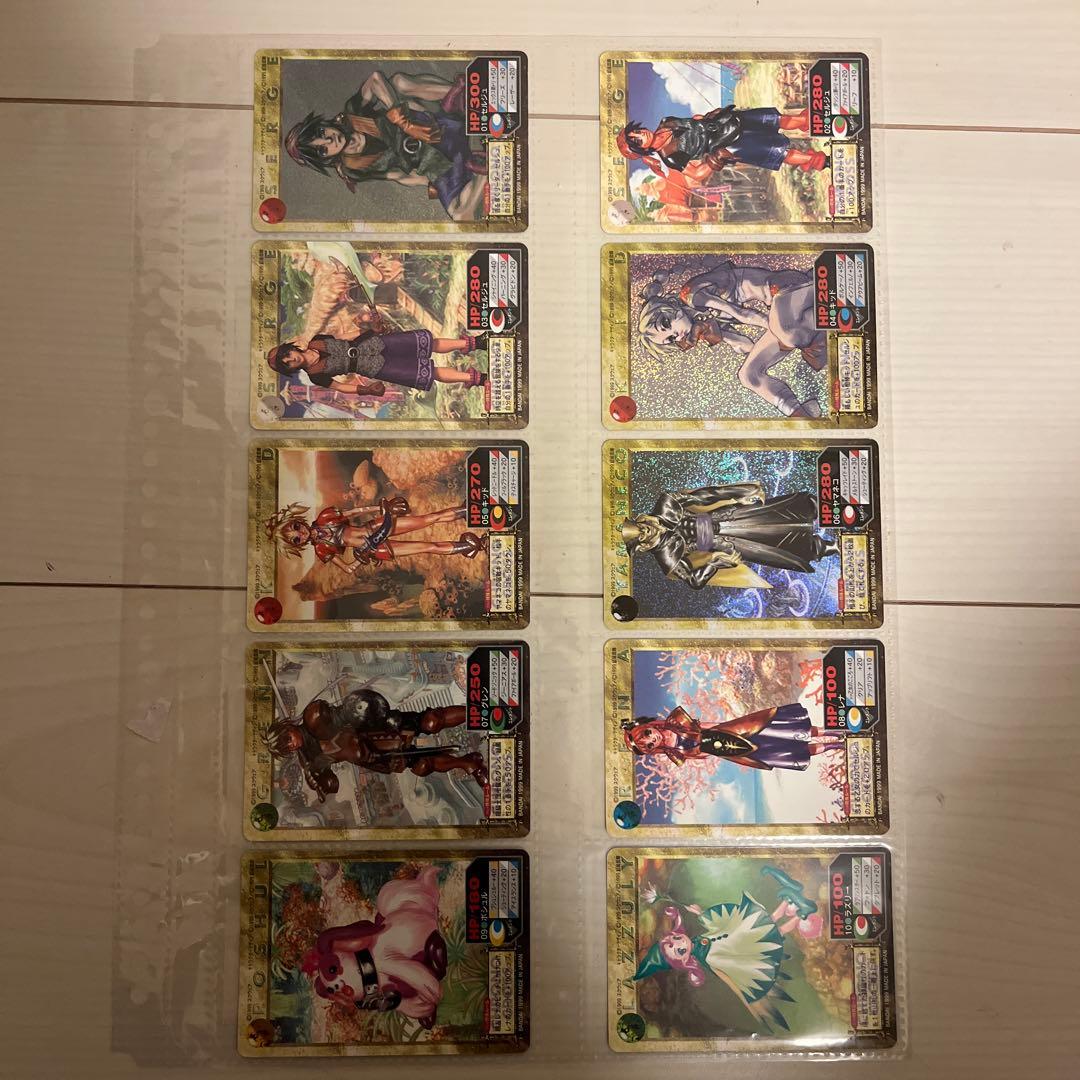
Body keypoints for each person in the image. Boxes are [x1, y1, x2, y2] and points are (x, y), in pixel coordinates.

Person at [284, 69, 487, 222]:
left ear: (323, 124)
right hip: (437, 163)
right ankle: (483, 169)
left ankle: (466, 96)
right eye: (322, 149)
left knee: (398, 82)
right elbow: (398, 176)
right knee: (461, 216)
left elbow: (375, 79)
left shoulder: (353, 113)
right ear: (325, 159)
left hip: (436, 123)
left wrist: (403, 121)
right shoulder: (353, 167)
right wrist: (431, 183)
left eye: (321, 133)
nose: (330, 140)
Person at [636, 263, 825, 418]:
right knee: (748, 374)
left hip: (784, 288)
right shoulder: (703, 321)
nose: (677, 335)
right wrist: (719, 336)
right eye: (671, 339)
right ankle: (800, 414)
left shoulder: (691, 295)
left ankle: (827, 314)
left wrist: (778, 331)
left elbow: (743, 314)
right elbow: (748, 346)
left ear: (669, 307)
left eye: (666, 324)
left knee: (787, 333)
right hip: (783, 311)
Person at [265, 686, 488, 797]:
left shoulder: (314, 718)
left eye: (287, 739)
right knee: (422, 765)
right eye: (287, 748)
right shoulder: (311, 760)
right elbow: (333, 785)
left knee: (431, 721)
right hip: (378, 756)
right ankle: (469, 762)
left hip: (380, 730)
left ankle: (480, 713)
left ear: (288, 727)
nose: (291, 745)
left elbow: (352, 709)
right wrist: (319, 782)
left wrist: (380, 715)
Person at [621, 481, 838, 590]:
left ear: (641, 519)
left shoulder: (666, 505)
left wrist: (739, 495)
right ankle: (825, 548)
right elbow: (694, 581)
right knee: (774, 547)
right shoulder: (666, 557)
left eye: (641, 526)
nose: (645, 530)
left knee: (779, 512)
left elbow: (705, 496)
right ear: (642, 545)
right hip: (725, 544)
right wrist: (714, 563)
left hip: (726, 515)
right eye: (641, 535)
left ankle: (823, 509)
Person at [265, 496, 486, 577]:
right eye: (296, 539)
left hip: (377, 525)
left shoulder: (325, 517)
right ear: (297, 545)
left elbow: (355, 512)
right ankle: (469, 547)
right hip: (375, 548)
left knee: (429, 518)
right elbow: (348, 569)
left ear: (297, 519)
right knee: (428, 546)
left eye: (296, 527)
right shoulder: (322, 549)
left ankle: (466, 510)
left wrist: (382, 508)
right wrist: (359, 559)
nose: (301, 533)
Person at [617, 106, 827, 182]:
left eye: (636, 131)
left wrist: (708, 116)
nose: (640, 134)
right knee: (779, 152)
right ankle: (818, 160)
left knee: (776, 119)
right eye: (636, 140)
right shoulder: (669, 157)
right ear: (641, 149)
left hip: (728, 121)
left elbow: (694, 120)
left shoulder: (666, 122)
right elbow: (696, 174)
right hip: (726, 145)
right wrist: (715, 160)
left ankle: (818, 119)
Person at [623, 703, 843, 773]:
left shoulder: (676, 721)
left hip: (731, 731)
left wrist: (727, 726)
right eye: (649, 746)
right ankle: (834, 745)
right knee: (778, 752)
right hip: (727, 751)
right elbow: (704, 755)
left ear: (649, 726)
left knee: (776, 729)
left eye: (648, 735)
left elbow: (706, 726)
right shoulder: (675, 754)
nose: (653, 740)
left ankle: (833, 732)